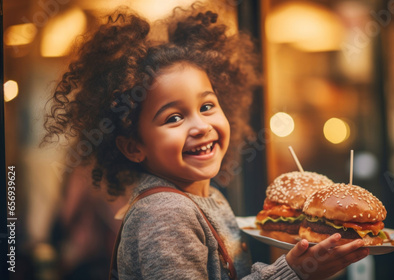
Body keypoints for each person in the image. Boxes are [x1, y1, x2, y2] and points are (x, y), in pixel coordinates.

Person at [41, 4, 369, 279]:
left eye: (207, 106)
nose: (200, 125)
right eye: (173, 117)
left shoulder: (207, 199)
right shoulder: (166, 214)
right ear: (133, 146)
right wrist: (294, 272)